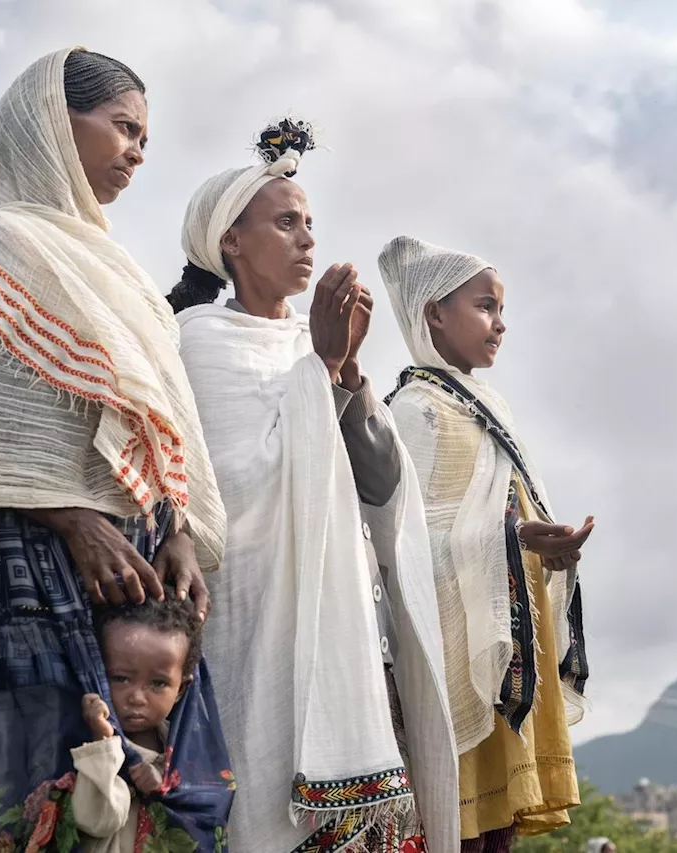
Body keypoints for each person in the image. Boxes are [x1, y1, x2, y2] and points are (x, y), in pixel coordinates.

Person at [0, 48, 231, 850]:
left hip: (135, 568)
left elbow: (157, 423)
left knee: (132, 798)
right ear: (50, 123)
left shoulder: (121, 274)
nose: (140, 152)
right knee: (32, 784)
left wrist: (176, 526)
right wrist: (74, 519)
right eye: (124, 128)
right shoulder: (0, 247)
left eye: (146, 137)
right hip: (27, 563)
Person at [168, 119, 458, 853]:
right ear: (231, 240)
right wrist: (319, 370)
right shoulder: (195, 341)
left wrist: (345, 373)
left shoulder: (309, 345)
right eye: (286, 222)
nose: (306, 239)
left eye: (311, 224)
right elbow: (229, 488)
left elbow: (382, 485)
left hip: (344, 633)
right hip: (251, 620)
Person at [380, 236, 592, 851]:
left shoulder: (485, 406)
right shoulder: (416, 410)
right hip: (454, 652)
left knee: (493, 832)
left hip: (501, 645)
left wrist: (541, 547)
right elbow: (403, 543)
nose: (500, 324)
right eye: (485, 307)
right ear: (434, 313)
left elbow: (494, 513)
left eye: (501, 310)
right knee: (453, 825)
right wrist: (511, 538)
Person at [71, 594, 210, 851]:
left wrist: (163, 783)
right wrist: (101, 744)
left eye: (158, 683)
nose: (136, 698)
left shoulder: (182, 745)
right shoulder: (88, 737)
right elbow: (97, 821)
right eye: (121, 678)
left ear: (181, 688)